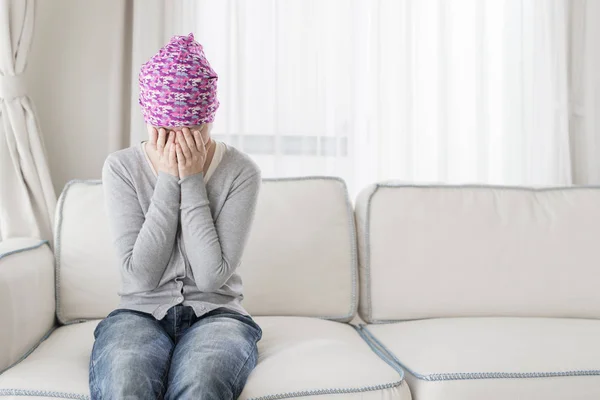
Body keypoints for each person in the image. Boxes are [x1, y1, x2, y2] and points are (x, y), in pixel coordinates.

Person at [89, 33, 262, 399]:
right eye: (168, 132)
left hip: (218, 315)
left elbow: (212, 277)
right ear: (151, 122)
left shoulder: (240, 171)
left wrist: (193, 180)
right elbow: (140, 276)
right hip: (138, 314)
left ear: (208, 120)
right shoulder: (121, 167)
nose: (179, 143)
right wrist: (169, 179)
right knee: (125, 383)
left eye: (191, 131)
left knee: (202, 384)